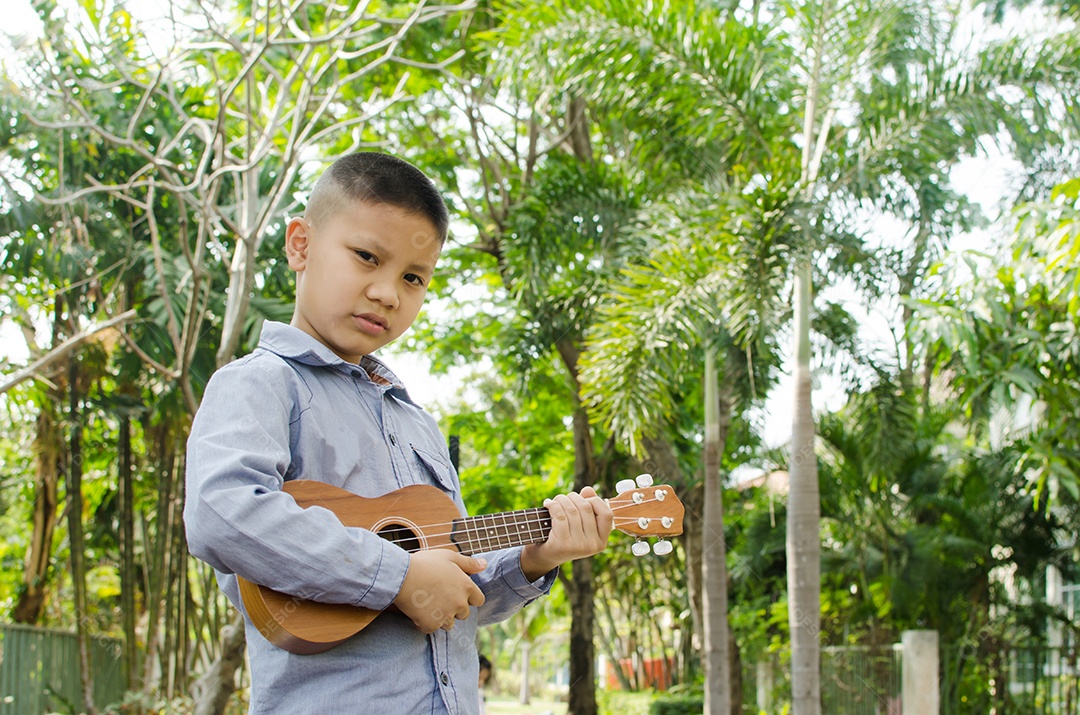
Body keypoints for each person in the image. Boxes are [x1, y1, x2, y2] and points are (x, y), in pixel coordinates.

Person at [184, 152, 613, 714]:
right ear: (300, 245)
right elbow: (221, 511)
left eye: (413, 277)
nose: (389, 292)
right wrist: (397, 574)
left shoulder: (419, 426)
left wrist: (535, 557)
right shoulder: (262, 384)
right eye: (366, 257)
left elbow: (449, 596)